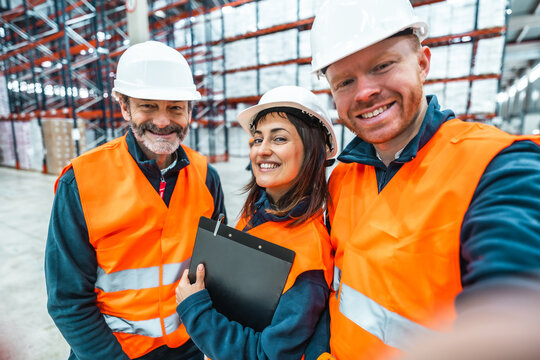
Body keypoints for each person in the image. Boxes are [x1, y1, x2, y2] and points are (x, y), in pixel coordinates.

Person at [309, 0, 540, 359]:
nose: (365, 92)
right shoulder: (342, 176)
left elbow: (518, 305)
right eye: (345, 81)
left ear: (422, 63)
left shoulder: (497, 167)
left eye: (382, 65)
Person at [45, 41, 226, 360]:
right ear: (124, 106)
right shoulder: (81, 182)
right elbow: (68, 300)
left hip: (188, 347)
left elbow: (216, 271)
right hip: (110, 351)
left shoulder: (205, 177)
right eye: (148, 106)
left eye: (174, 107)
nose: (162, 121)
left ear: (189, 111)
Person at [174, 85, 336, 360]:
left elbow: (267, 355)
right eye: (258, 139)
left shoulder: (309, 257)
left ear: (313, 151)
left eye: (279, 139)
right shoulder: (257, 213)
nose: (262, 150)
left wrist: (196, 310)